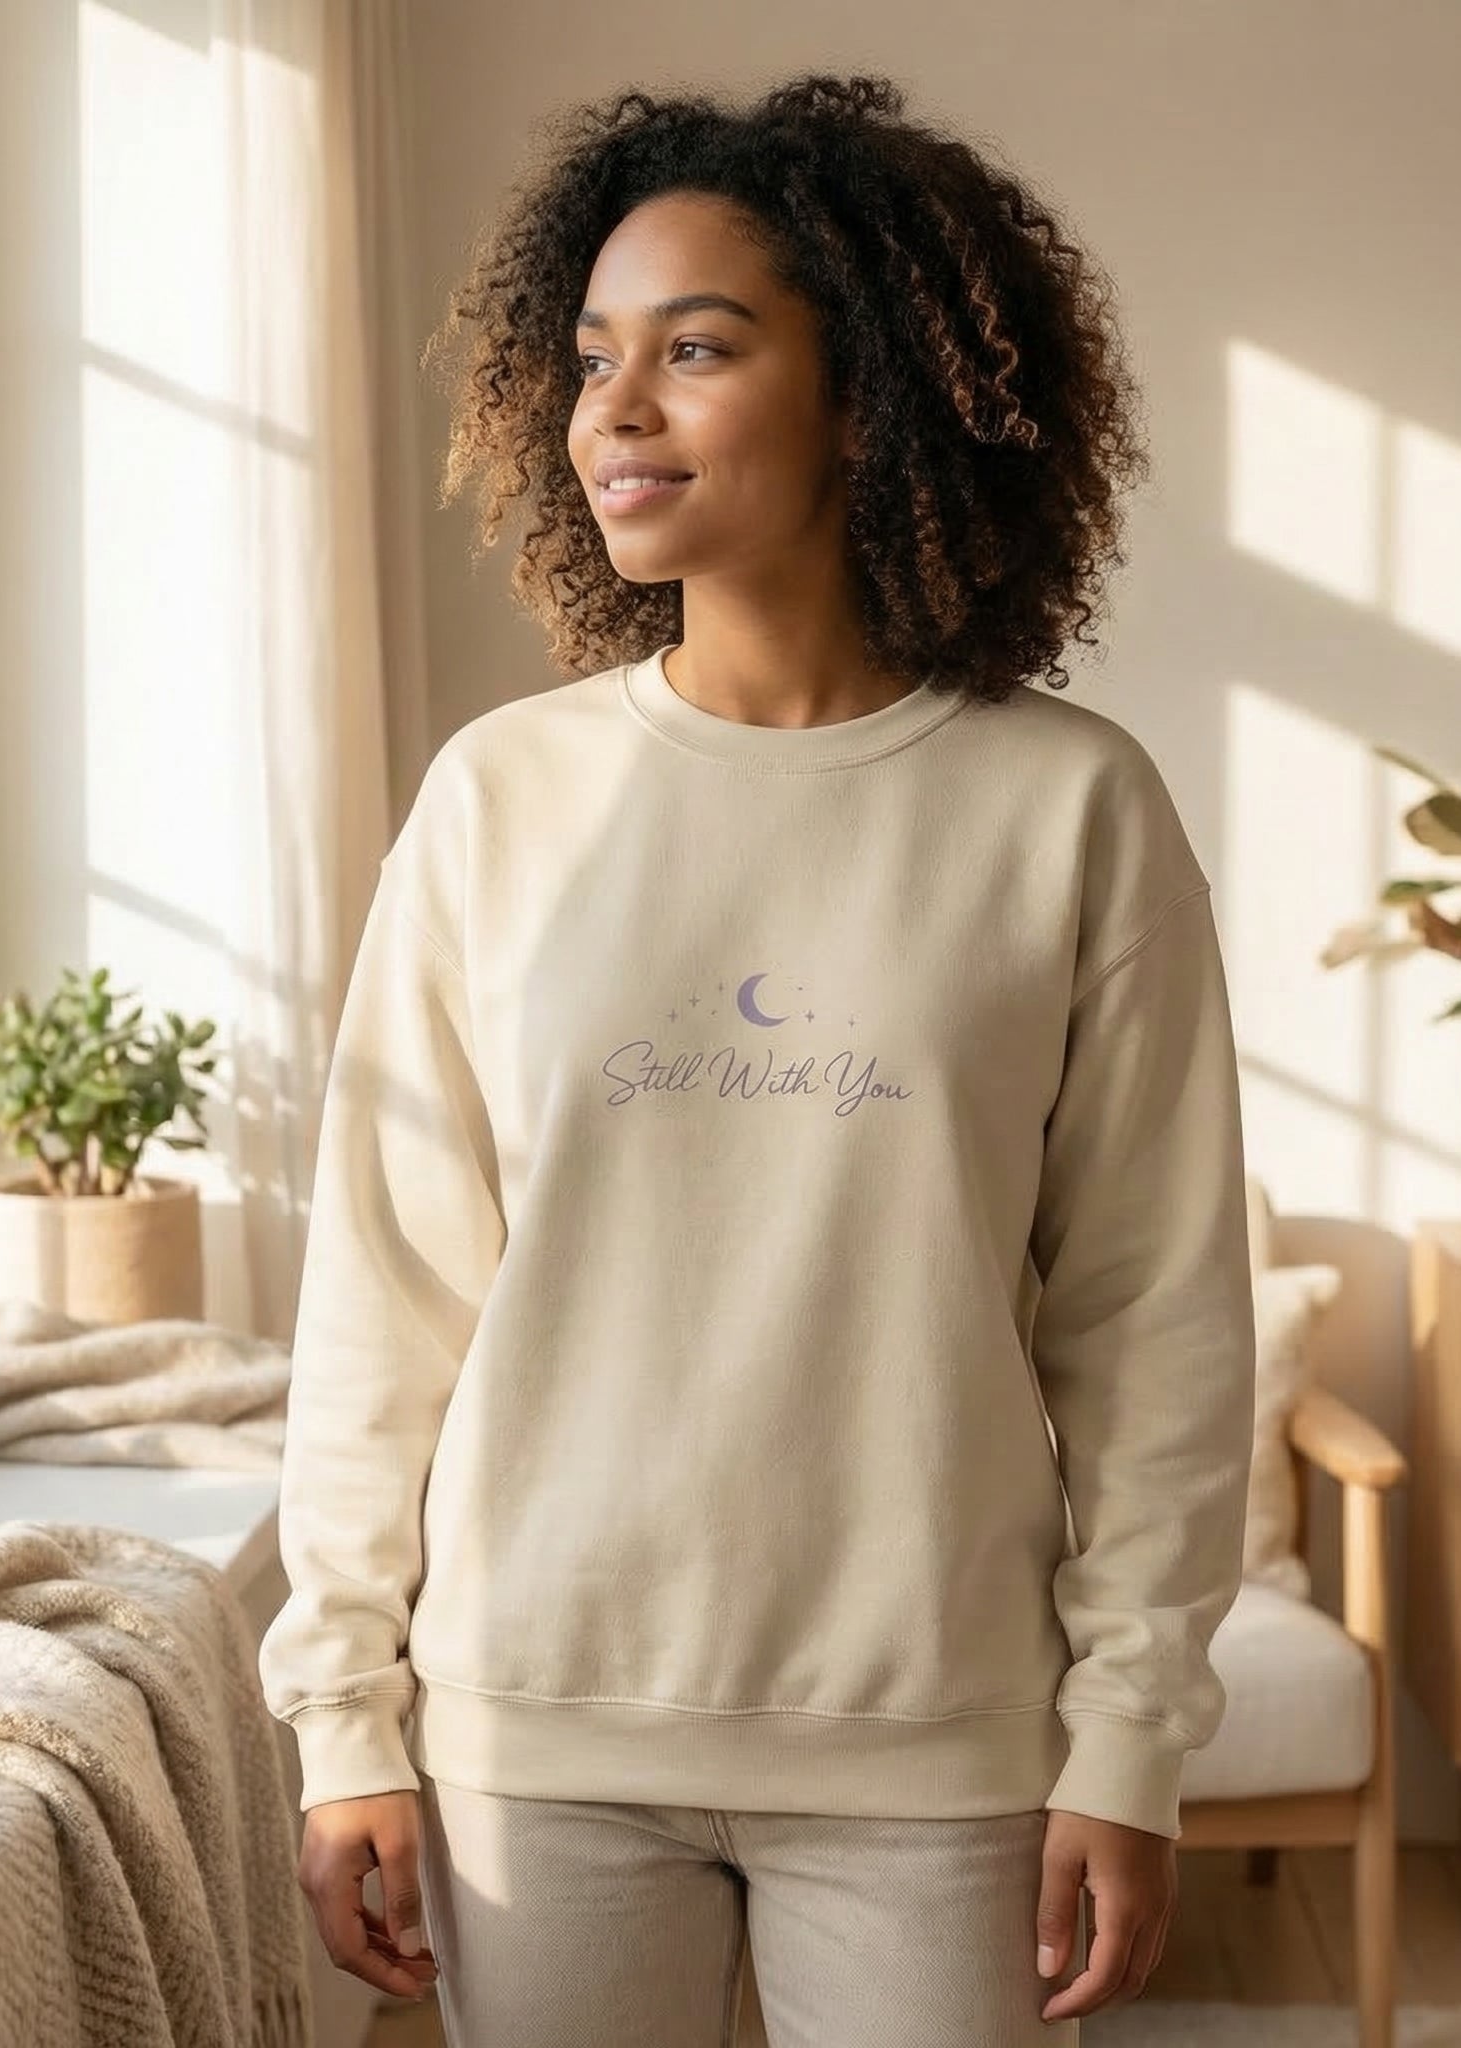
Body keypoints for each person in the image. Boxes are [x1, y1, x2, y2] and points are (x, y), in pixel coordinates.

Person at [257, 72, 1257, 2047]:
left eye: (696, 350)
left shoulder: (1068, 810)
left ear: (870, 388)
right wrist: (344, 1714)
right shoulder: (499, 800)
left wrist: (1126, 1737)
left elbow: (1153, 1322)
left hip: (937, 1744)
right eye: (591, 357)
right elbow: (384, 1295)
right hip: (535, 1728)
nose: (613, 407)